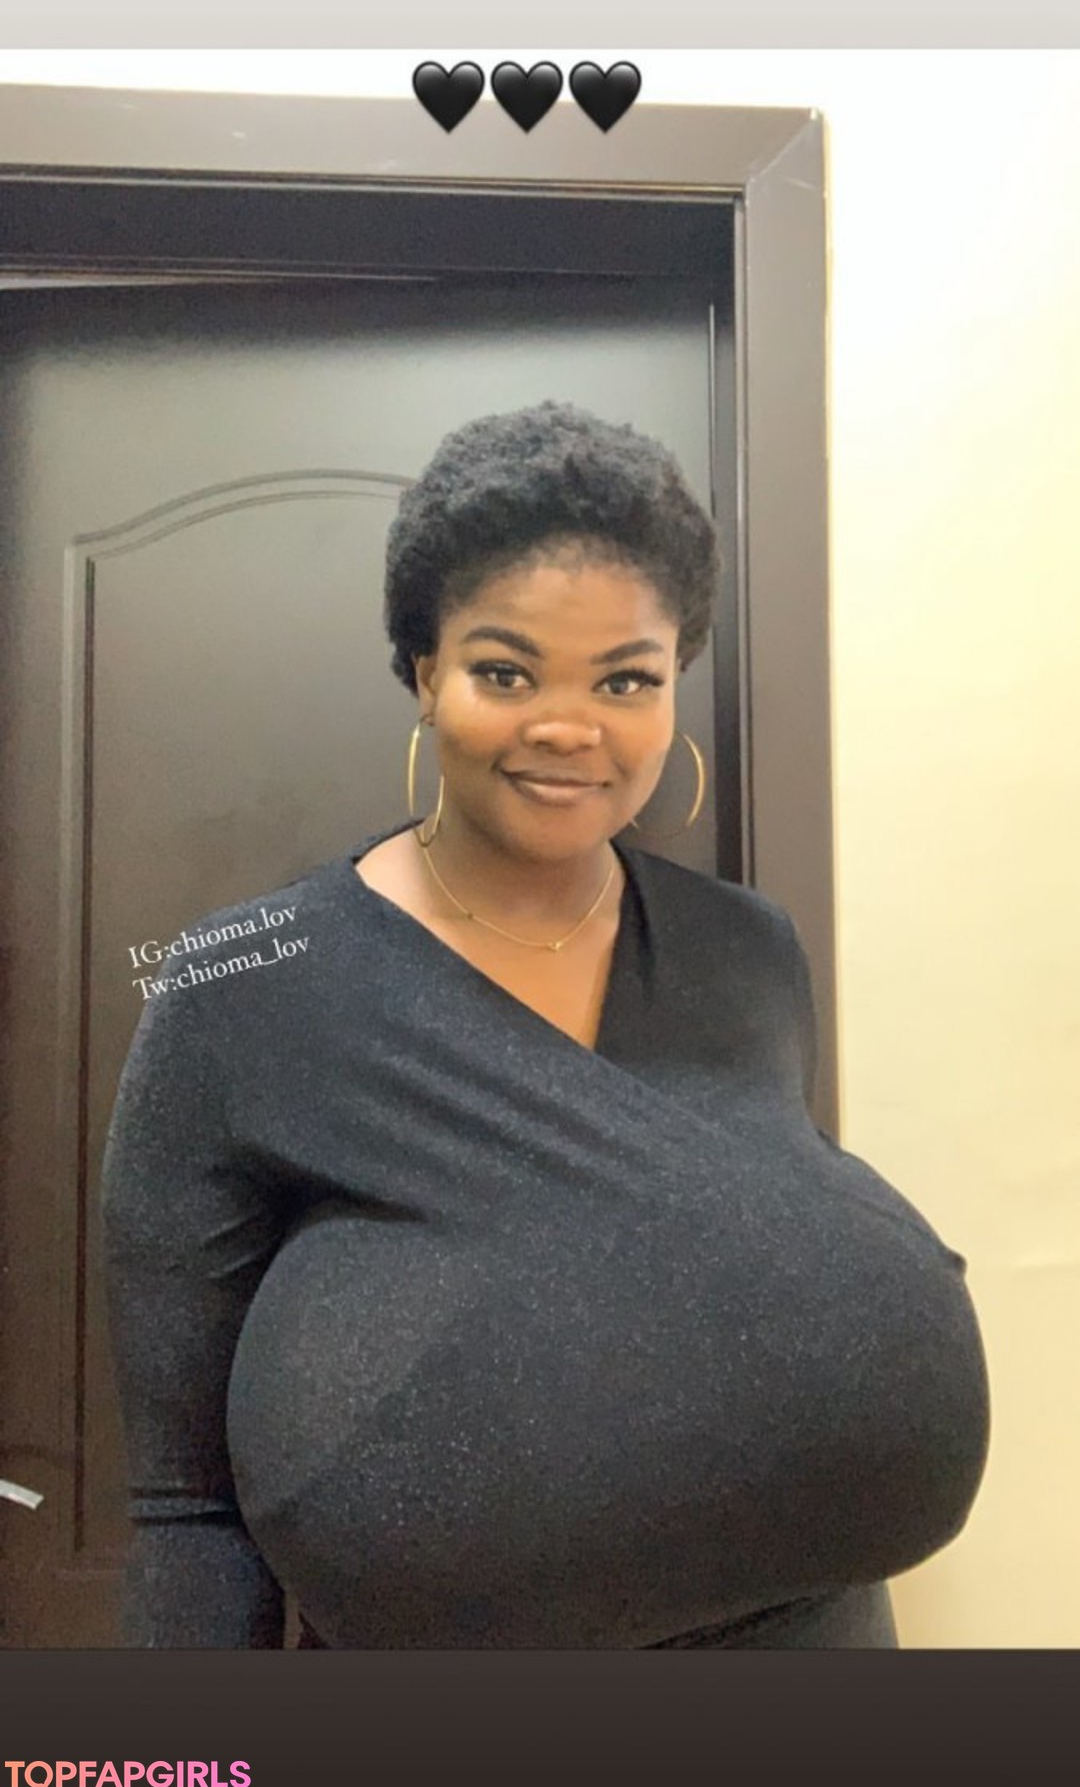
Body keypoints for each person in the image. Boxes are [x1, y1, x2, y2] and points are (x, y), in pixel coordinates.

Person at [100, 400, 990, 1649]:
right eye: (505, 671)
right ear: (424, 673)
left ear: (672, 689)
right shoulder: (241, 976)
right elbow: (189, 1511)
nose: (570, 727)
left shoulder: (750, 950)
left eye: (625, 679)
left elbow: (760, 1280)